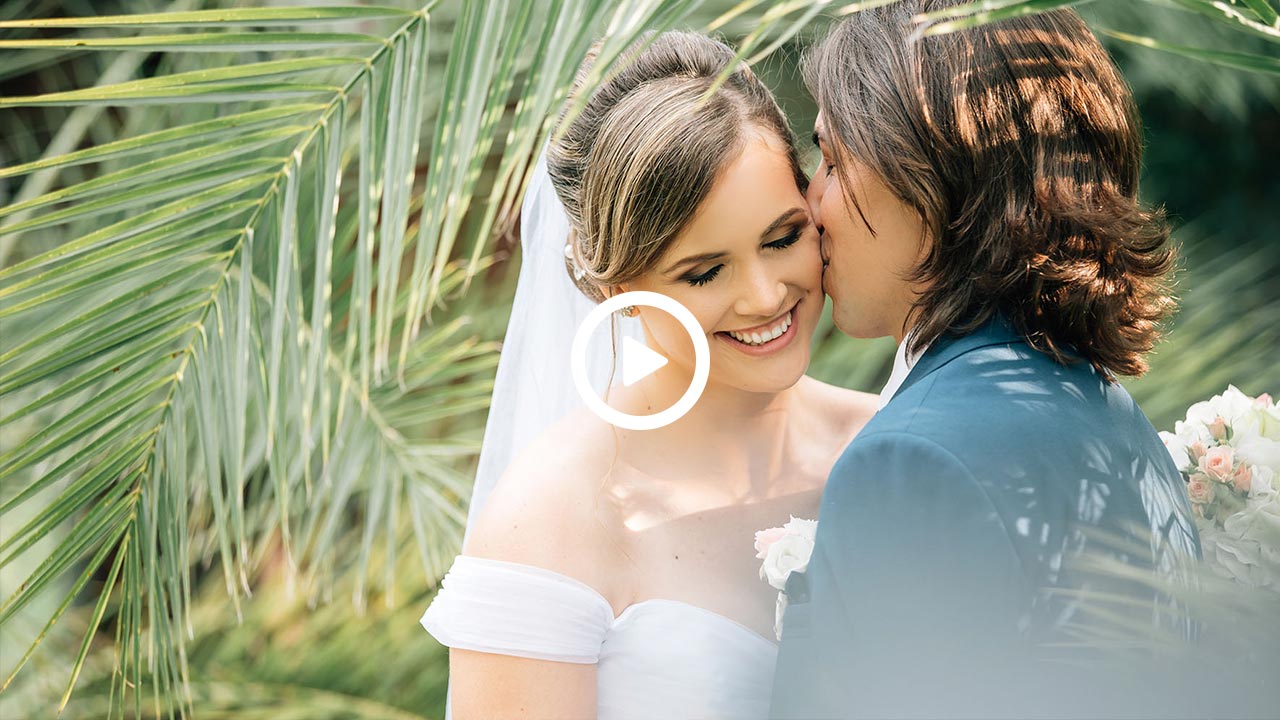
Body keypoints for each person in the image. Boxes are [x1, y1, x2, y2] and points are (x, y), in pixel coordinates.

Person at [419, 31, 877, 719]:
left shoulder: (891, 443)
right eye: (704, 272)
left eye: (782, 237)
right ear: (616, 290)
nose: (764, 296)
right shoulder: (551, 520)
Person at [769, 3, 1202, 718]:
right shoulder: (1111, 417)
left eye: (835, 161)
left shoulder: (912, 462)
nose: (812, 205)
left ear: (933, 176)